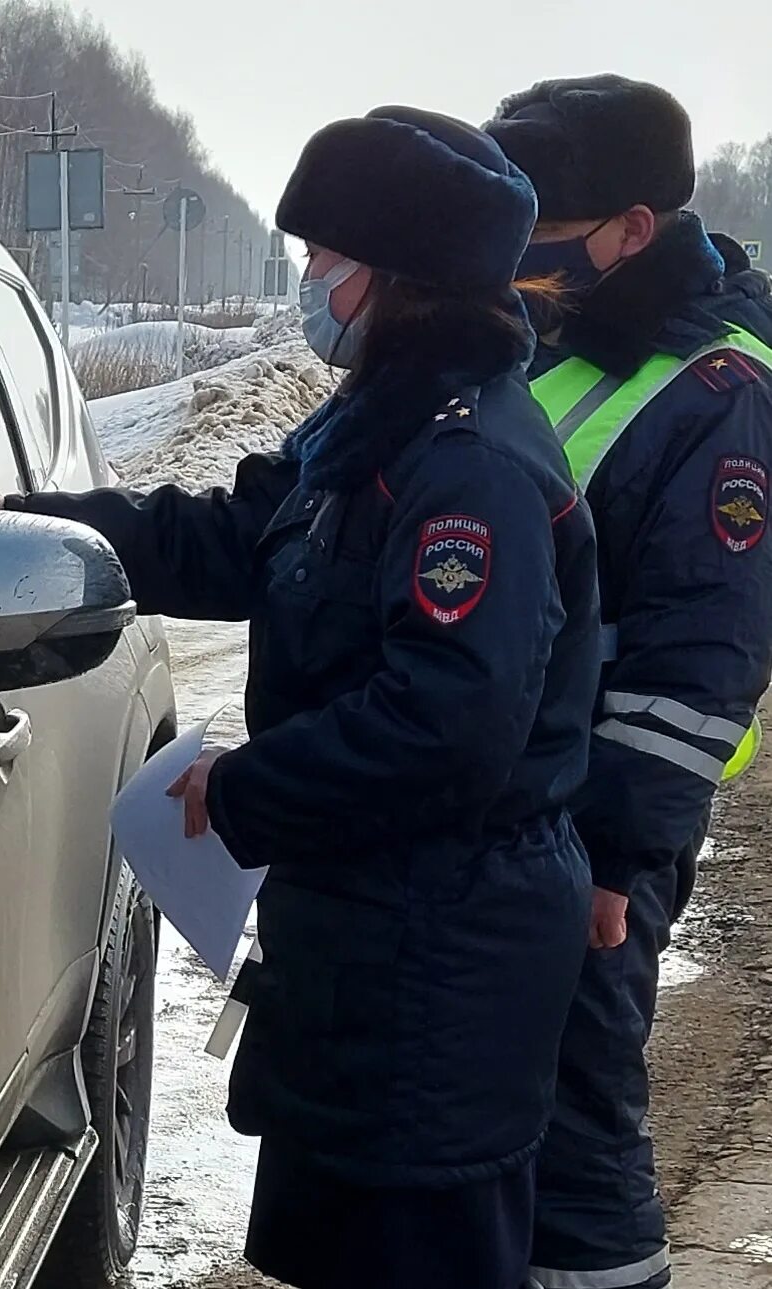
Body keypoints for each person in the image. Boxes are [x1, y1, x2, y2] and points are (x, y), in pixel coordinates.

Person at [0, 107, 603, 1289]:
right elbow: (233, 536)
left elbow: (447, 728)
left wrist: (238, 788)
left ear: (392, 275)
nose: (307, 283)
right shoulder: (372, 430)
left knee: (418, 1256)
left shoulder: (468, 468)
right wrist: (22, 517)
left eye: (321, 260)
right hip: (368, 944)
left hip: (441, 964)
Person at [485, 75, 772, 1289]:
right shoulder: (541, 340)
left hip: (594, 816)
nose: (517, 249)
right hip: (502, 803)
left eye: (542, 221)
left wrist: (614, 855)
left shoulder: (718, 390)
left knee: (575, 1120)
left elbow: (702, 651)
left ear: (633, 229)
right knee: (495, 1114)